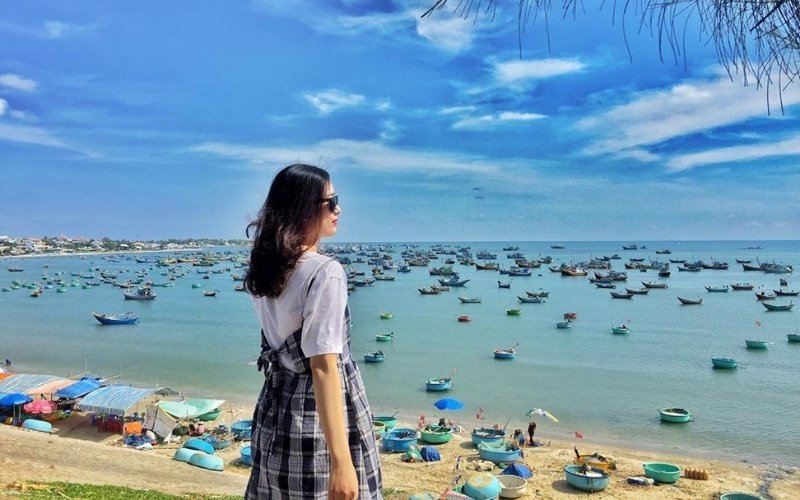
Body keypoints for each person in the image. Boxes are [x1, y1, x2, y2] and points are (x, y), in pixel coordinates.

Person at [245, 164, 382, 500]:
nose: (339, 209)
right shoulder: (325, 272)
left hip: (276, 412)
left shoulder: (269, 267)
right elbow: (323, 367)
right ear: (305, 207)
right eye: (331, 202)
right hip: (320, 420)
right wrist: (342, 462)